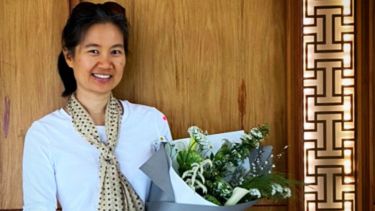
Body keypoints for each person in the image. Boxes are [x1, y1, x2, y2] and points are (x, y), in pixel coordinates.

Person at [22, 2, 172, 211]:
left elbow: (170, 201)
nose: (105, 63)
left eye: (115, 52)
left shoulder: (153, 122)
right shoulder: (44, 134)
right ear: (69, 56)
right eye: (93, 51)